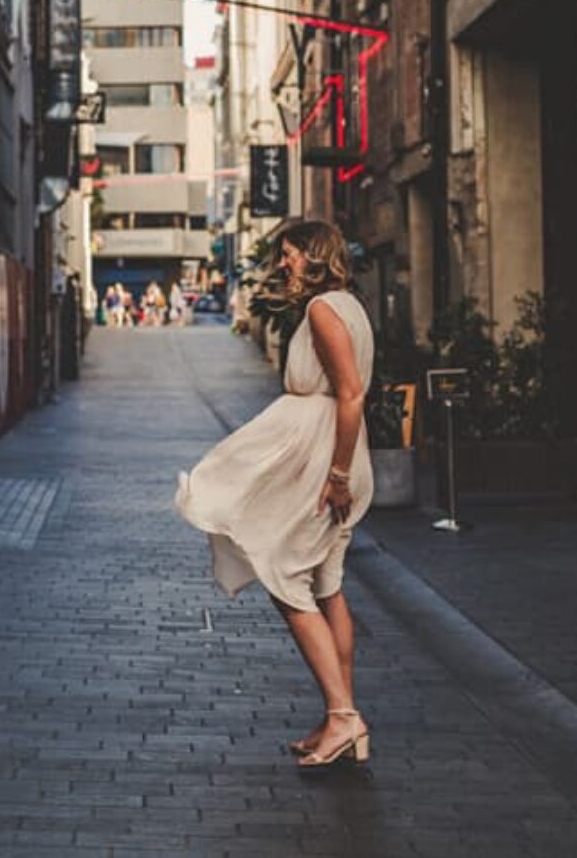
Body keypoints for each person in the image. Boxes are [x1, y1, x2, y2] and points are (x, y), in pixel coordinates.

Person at [175, 220, 375, 767]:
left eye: (288, 254)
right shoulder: (348, 305)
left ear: (313, 256)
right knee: (328, 584)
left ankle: (342, 716)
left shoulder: (323, 310)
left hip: (324, 460)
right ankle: (344, 717)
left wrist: (336, 474)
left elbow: (351, 394)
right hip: (331, 456)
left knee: (285, 575)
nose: (282, 263)